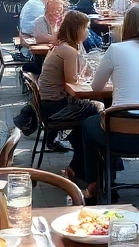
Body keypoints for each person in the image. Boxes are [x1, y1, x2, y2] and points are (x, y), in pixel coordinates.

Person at [81, 7, 139, 198]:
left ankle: (94, 183)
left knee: (88, 125)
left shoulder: (116, 49)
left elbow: (96, 87)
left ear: (127, 25)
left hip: (117, 132)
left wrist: (117, 78)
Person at [37, 11, 99, 186]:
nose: (88, 31)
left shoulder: (63, 46)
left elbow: (77, 75)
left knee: (91, 119)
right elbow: (72, 81)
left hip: (48, 103)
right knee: (99, 114)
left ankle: (79, 167)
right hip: (56, 106)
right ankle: (90, 169)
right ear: (77, 29)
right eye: (86, 28)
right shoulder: (68, 51)